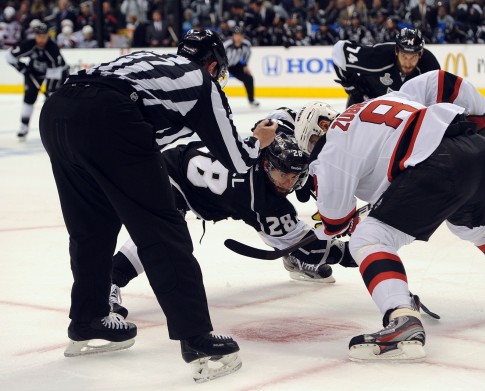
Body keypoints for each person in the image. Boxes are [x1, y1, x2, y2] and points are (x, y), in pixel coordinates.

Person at [38, 29, 277, 383]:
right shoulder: (202, 82)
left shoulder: (149, 61)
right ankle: (197, 339)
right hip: (111, 117)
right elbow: (237, 159)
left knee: (92, 227)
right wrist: (259, 141)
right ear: (212, 65)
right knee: (162, 229)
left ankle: (88, 320)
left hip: (58, 110)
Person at [293, 70, 485, 362]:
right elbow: (442, 81)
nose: (312, 153)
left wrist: (346, 221)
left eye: (309, 142)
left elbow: (335, 221)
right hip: (479, 152)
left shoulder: (332, 143)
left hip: (440, 166)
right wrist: (482, 124)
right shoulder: (386, 99)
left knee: (368, 239)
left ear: (322, 125)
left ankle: (401, 320)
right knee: (472, 226)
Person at [109, 113, 357, 318]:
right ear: (268, 165)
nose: (288, 183)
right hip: (169, 177)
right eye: (283, 174)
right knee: (164, 234)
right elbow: (309, 247)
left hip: (180, 164)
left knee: (267, 221)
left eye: (295, 177)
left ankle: (291, 257)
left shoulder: (268, 143)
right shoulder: (261, 199)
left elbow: (283, 117)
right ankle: (107, 283)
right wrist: (358, 252)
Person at [332, 27, 440, 108]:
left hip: (402, 114)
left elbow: (437, 98)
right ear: (397, 51)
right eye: (404, 56)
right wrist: (352, 87)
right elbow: (339, 51)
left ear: (420, 54)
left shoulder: (429, 66)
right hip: (365, 104)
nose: (408, 63)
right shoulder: (379, 56)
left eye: (413, 57)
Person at [5, 22, 68, 140]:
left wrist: (50, 91)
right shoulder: (28, 44)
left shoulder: (52, 48)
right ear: (35, 35)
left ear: (48, 36)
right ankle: (24, 126)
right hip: (34, 73)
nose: (41, 39)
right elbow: (9, 56)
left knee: (52, 100)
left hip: (57, 73)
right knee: (29, 98)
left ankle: (52, 128)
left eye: (44, 36)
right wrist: (22, 68)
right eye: (39, 36)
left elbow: (56, 71)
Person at [224, 25, 260, 107]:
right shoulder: (227, 45)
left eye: (240, 35)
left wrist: (245, 65)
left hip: (235, 65)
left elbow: (247, 54)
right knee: (215, 82)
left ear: (243, 36)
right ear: (233, 35)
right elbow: (218, 54)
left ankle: (251, 100)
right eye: (236, 35)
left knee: (249, 78)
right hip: (223, 65)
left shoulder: (246, 44)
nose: (238, 37)